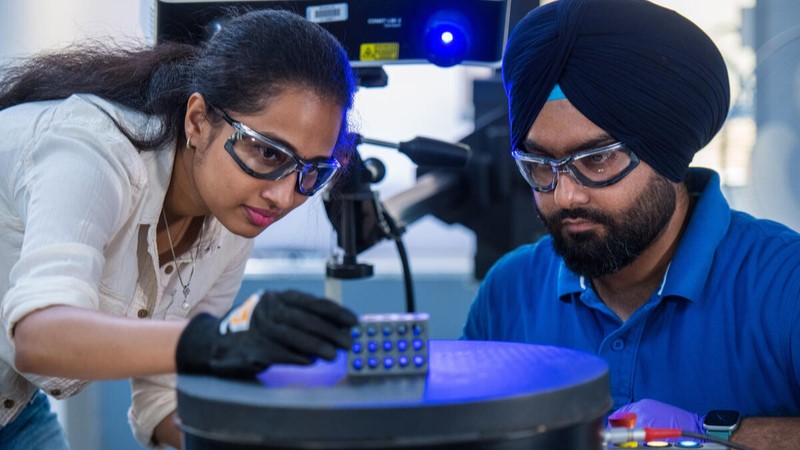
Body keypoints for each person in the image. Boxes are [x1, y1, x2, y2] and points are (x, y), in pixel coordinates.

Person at [0, 9, 360, 449]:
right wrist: (218, 342)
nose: (283, 197)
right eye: (268, 153)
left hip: (15, 408)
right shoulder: (93, 154)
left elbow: (163, 397)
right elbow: (39, 337)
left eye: (312, 171)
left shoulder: (233, 218)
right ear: (197, 120)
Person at [461, 0, 800, 448]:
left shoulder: (784, 283)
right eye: (540, 164)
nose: (566, 195)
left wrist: (712, 433)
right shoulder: (511, 292)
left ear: (669, 156)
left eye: (597, 159)